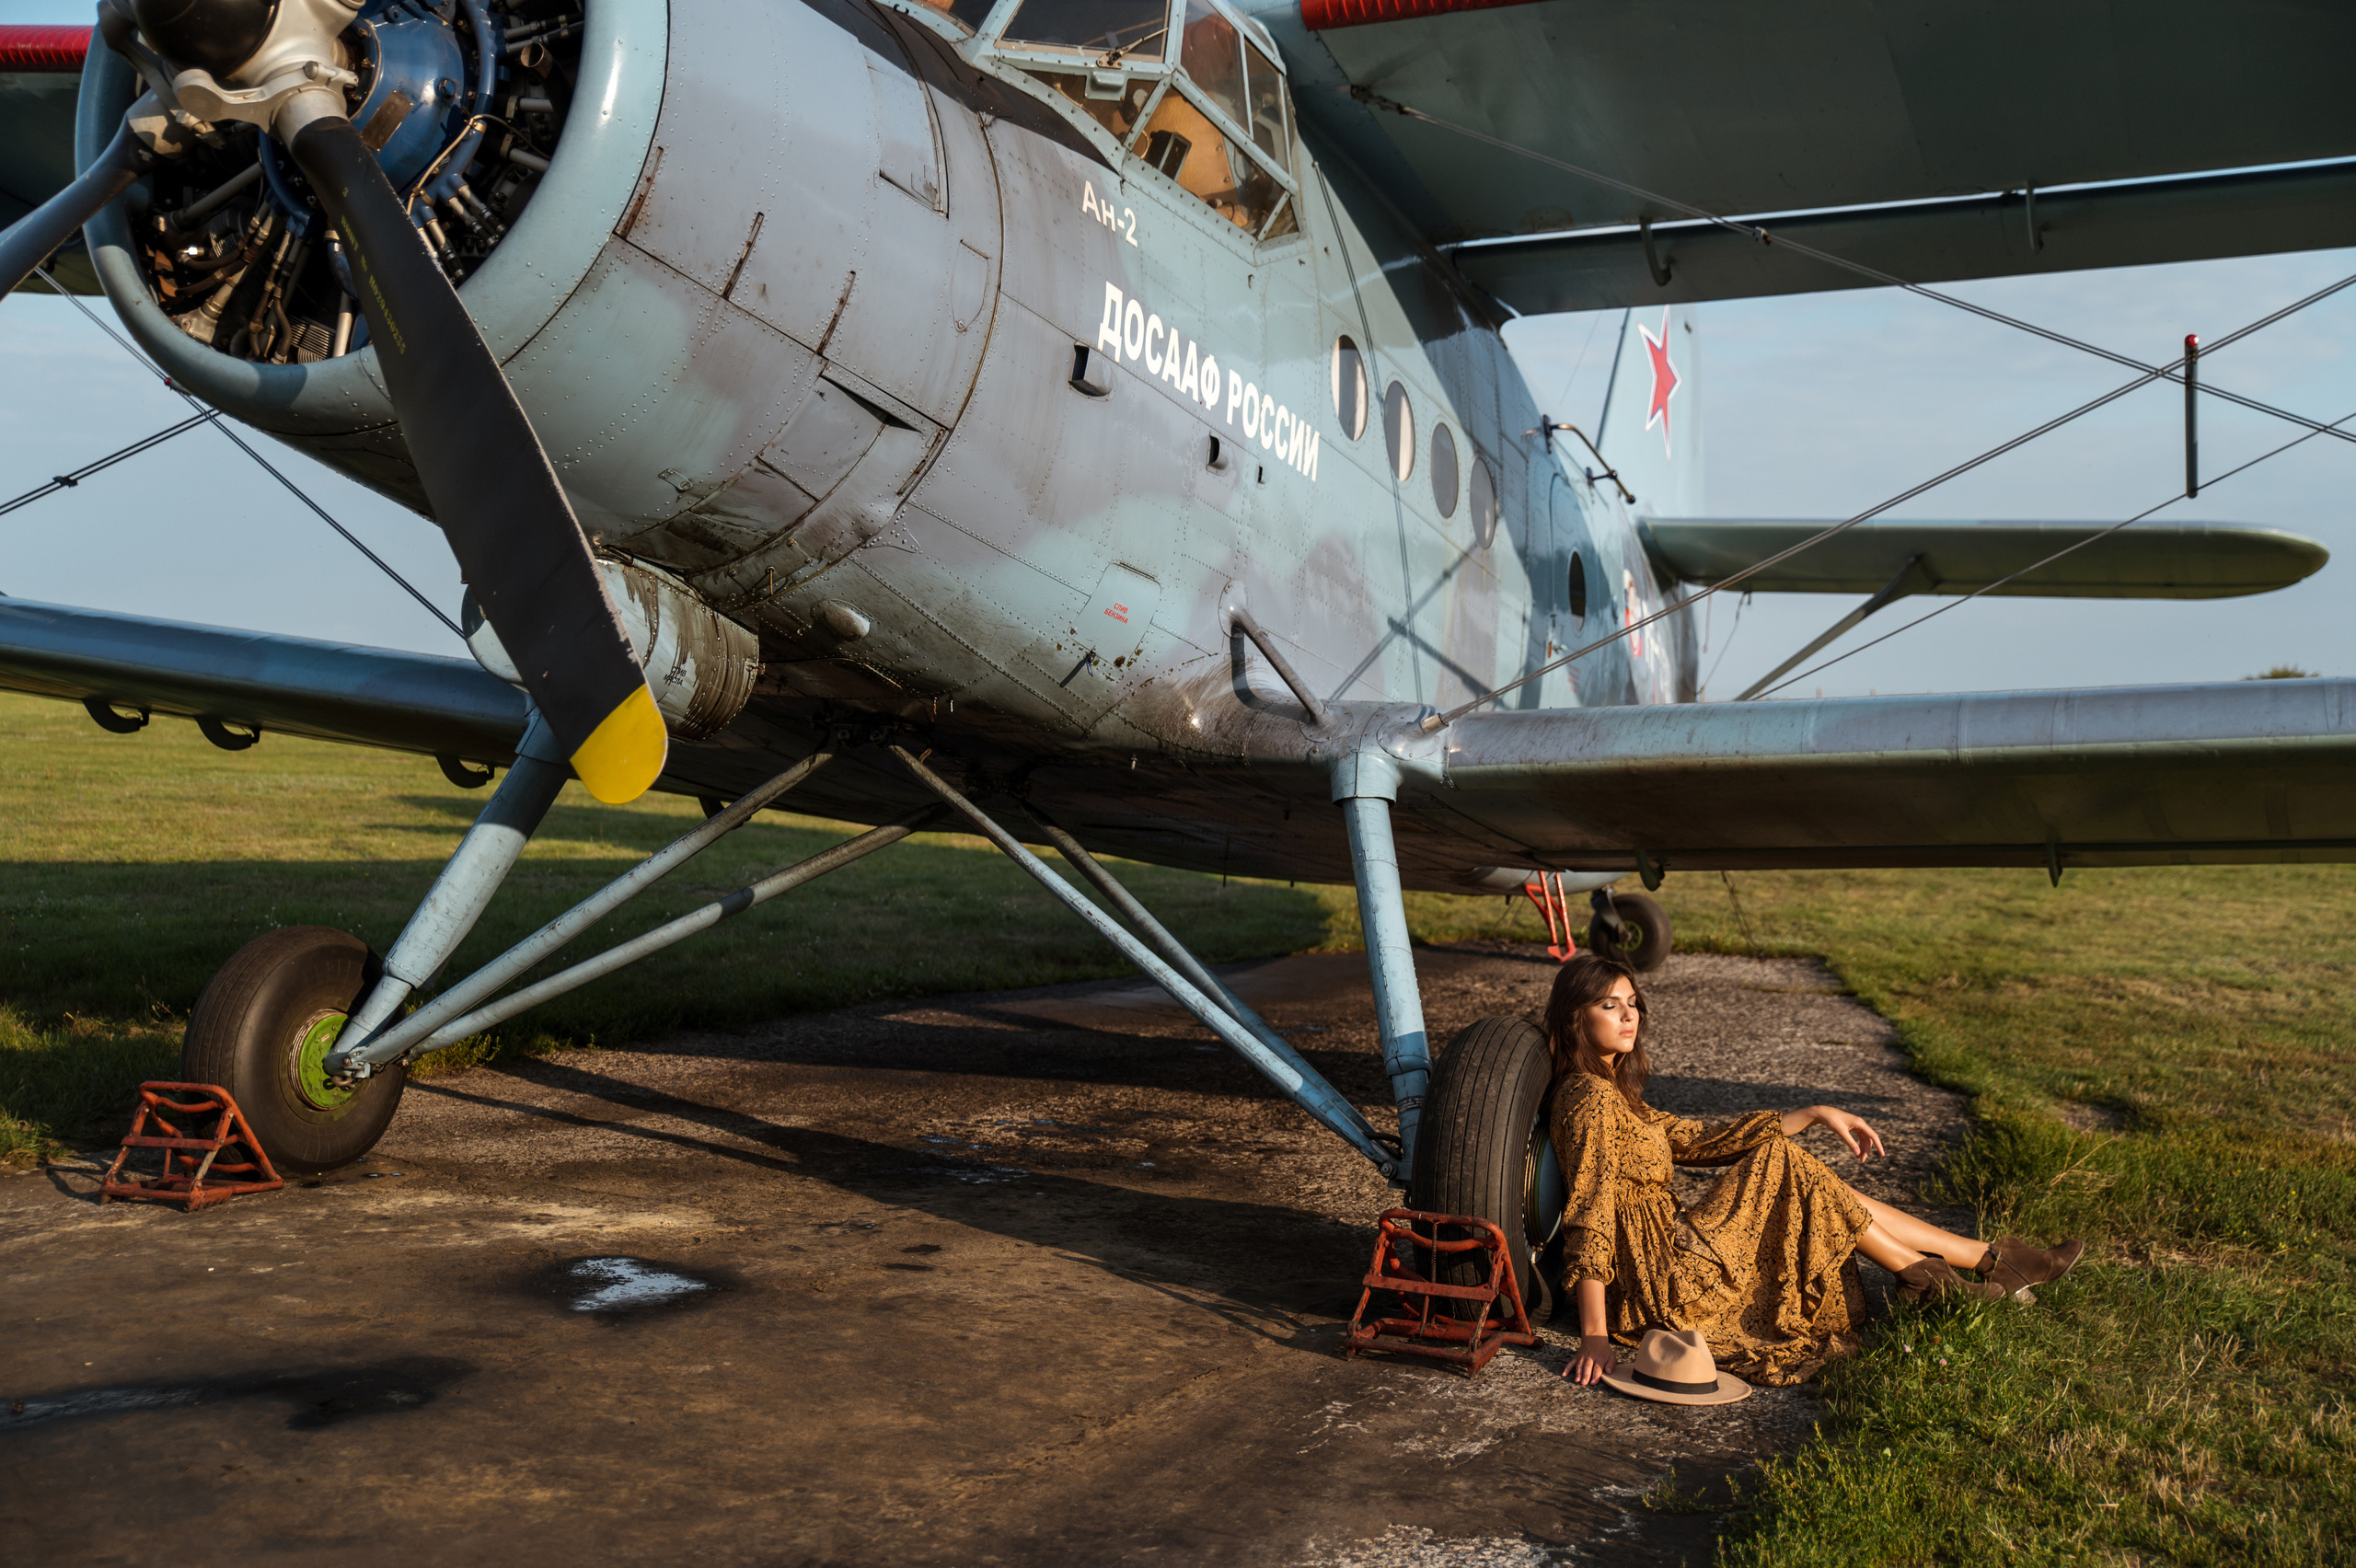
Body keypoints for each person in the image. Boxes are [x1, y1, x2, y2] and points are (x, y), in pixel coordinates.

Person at [1547, 952, 2082, 1389]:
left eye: (1632, 1003)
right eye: (1608, 1005)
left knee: (1802, 1173)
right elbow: (1591, 1208)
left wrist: (1810, 1114)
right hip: (1658, 1280)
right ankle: (1968, 1268)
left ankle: (1980, 1265)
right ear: (1578, 1016)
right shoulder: (1588, 1098)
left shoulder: (1615, 1092)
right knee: (1784, 1165)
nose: (1628, 1016)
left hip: (1667, 1256)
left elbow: (1691, 1138)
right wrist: (1594, 1331)